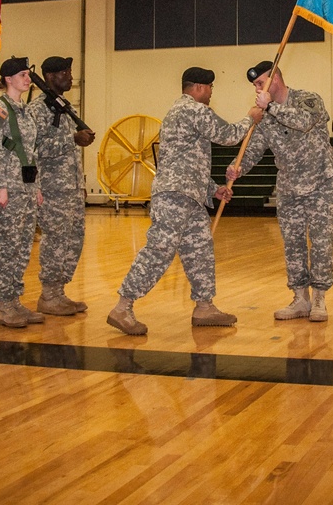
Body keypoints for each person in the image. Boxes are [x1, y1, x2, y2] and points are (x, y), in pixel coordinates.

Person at [107, 67, 263, 335]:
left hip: (188, 195)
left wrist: (213, 189)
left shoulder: (182, 112)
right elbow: (228, 136)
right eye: (211, 87)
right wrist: (251, 119)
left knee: (200, 249)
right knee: (160, 249)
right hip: (175, 196)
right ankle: (123, 306)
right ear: (200, 87)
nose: (212, 93)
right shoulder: (191, 109)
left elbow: (190, 161)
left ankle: (204, 306)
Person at [226, 61, 333, 322]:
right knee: (293, 244)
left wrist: (271, 107)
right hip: (288, 187)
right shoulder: (264, 116)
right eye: (254, 85)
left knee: (321, 242)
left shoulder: (308, 99)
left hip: (319, 183)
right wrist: (236, 167)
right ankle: (300, 299)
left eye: (259, 83)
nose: (256, 89)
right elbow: (253, 147)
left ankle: (320, 298)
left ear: (274, 78)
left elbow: (304, 122)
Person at [0, 57, 45, 329]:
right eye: (22, 74)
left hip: (26, 188)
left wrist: (37, 186)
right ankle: (4, 304)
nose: (27, 79)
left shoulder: (26, 111)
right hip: (6, 187)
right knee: (8, 247)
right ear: (8, 79)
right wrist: (0, 185)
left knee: (22, 248)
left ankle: (15, 300)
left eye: (27, 74)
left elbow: (30, 151)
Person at [32, 56, 95, 317]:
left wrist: (80, 183)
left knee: (73, 240)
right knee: (55, 241)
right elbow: (35, 147)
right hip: (51, 187)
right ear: (49, 77)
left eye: (70, 71)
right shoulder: (38, 110)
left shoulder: (63, 107)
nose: (70, 77)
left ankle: (59, 292)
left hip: (70, 187)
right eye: (64, 72)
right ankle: (49, 295)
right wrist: (72, 139)